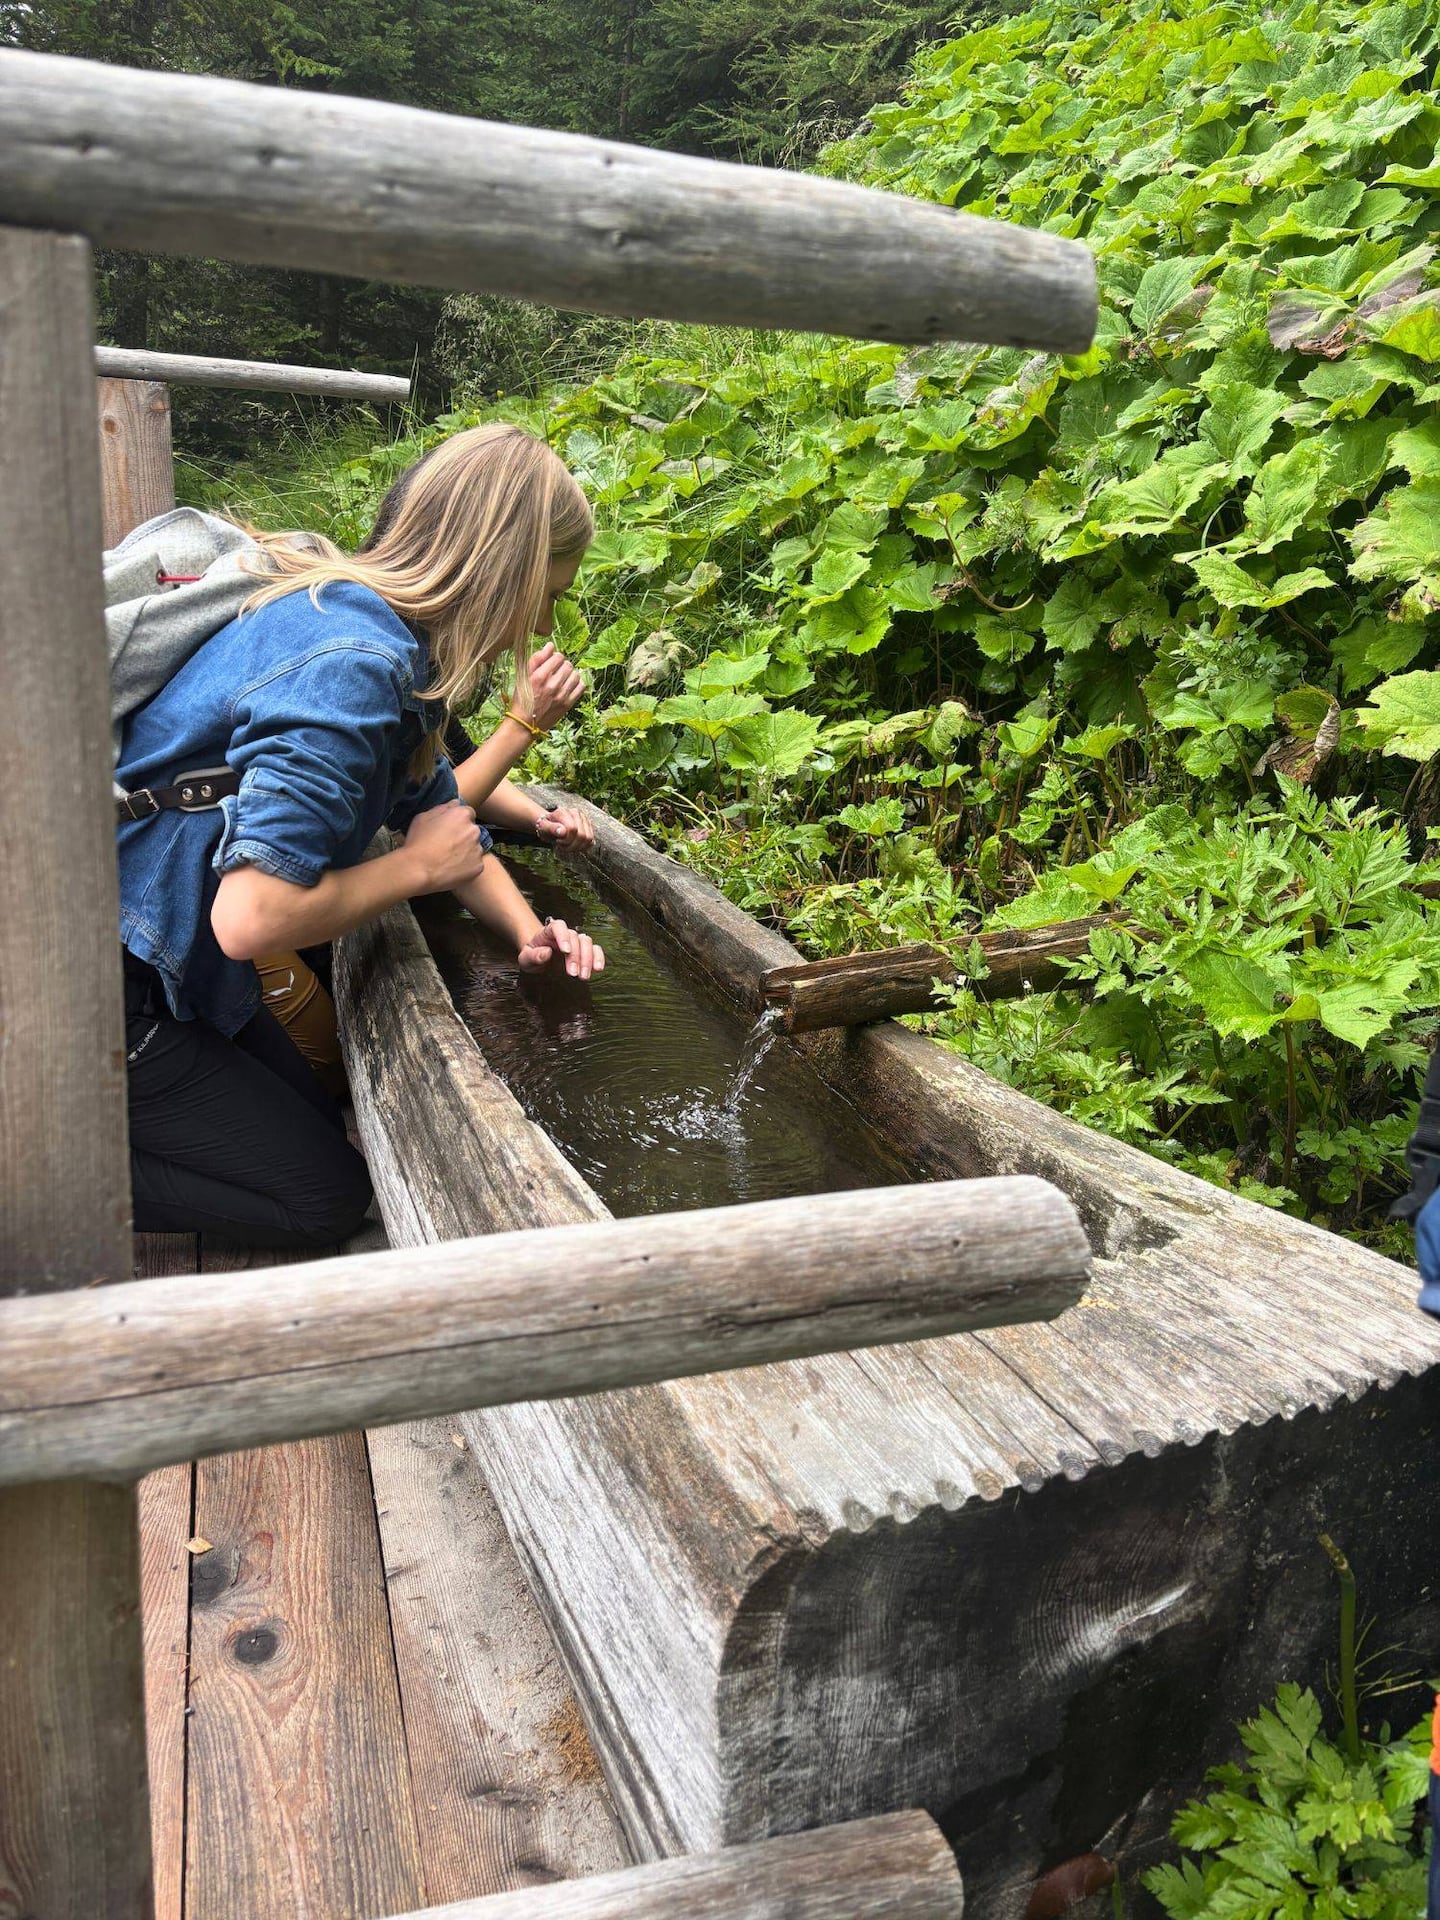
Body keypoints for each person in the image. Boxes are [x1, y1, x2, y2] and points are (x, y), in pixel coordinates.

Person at [117, 421, 603, 1250]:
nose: (548, 616)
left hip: (160, 950)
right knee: (325, 1202)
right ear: (508, 574)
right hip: (88, 980)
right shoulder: (352, 667)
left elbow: (446, 821)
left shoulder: (374, 630)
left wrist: (531, 936)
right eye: (551, 592)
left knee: (317, 1118)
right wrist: (415, 870)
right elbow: (251, 919)